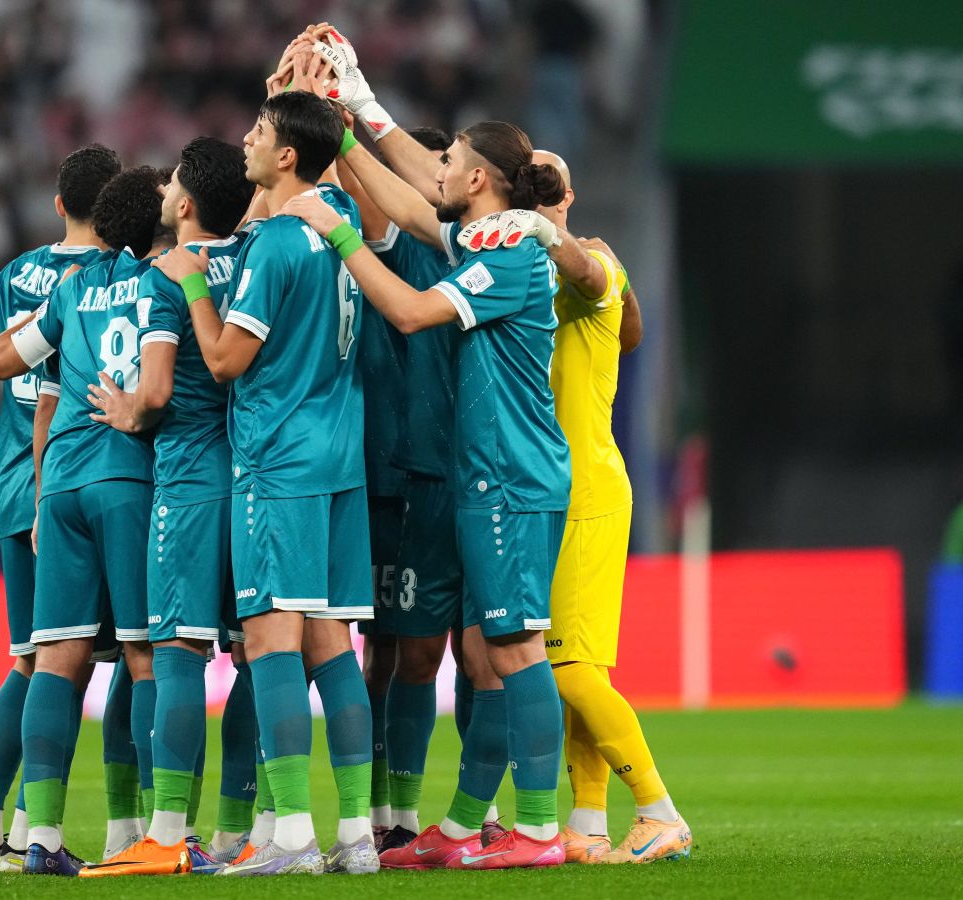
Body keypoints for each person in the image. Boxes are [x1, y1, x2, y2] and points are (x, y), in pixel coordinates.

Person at [289, 34, 580, 869]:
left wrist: (339, 234)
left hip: (510, 476)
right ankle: (458, 827)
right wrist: (347, 118)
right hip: (490, 475)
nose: (438, 170)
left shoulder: (511, 253)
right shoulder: (486, 239)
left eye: (450, 160)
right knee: (491, 653)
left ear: (479, 179)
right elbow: (418, 204)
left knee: (514, 651)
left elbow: (413, 312)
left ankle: (539, 829)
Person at [152, 89, 377, 876]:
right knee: (332, 645)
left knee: (269, 642)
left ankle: (291, 838)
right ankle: (357, 835)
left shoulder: (277, 244)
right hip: (340, 459)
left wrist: (192, 283)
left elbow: (223, 361)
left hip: (277, 460)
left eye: (259, 130)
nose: (244, 139)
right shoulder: (338, 225)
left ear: (286, 156)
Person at [457, 151, 690, 864]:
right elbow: (629, 329)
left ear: (564, 197)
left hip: (584, 489)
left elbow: (595, 277)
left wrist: (549, 232)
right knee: (576, 667)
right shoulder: (523, 271)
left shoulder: (589, 260)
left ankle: (659, 810)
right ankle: (587, 823)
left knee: (565, 668)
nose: (541, 193)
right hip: (552, 488)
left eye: (549, 184)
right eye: (531, 183)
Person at [77, 136, 258, 876]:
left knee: (177, 653)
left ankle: (167, 833)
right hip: (253, 474)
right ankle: (243, 830)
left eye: (172, 180)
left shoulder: (166, 276)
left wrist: (129, 412)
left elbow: (153, 392)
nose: (162, 188)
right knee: (256, 654)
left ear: (186, 204)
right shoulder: (255, 257)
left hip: (186, 477)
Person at [0, 167, 164, 876]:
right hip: (126, 478)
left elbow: (2, 363)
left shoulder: (72, 288)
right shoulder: (163, 282)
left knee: (55, 661)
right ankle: (157, 831)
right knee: (147, 658)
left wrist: (41, 316)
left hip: (58, 483)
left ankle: (41, 839)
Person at [0, 145, 118, 873]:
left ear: (58, 205)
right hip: (79, 479)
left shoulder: (17, 274)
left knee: (30, 658)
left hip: (18, 485)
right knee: (65, 662)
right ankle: (27, 832)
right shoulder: (118, 275)